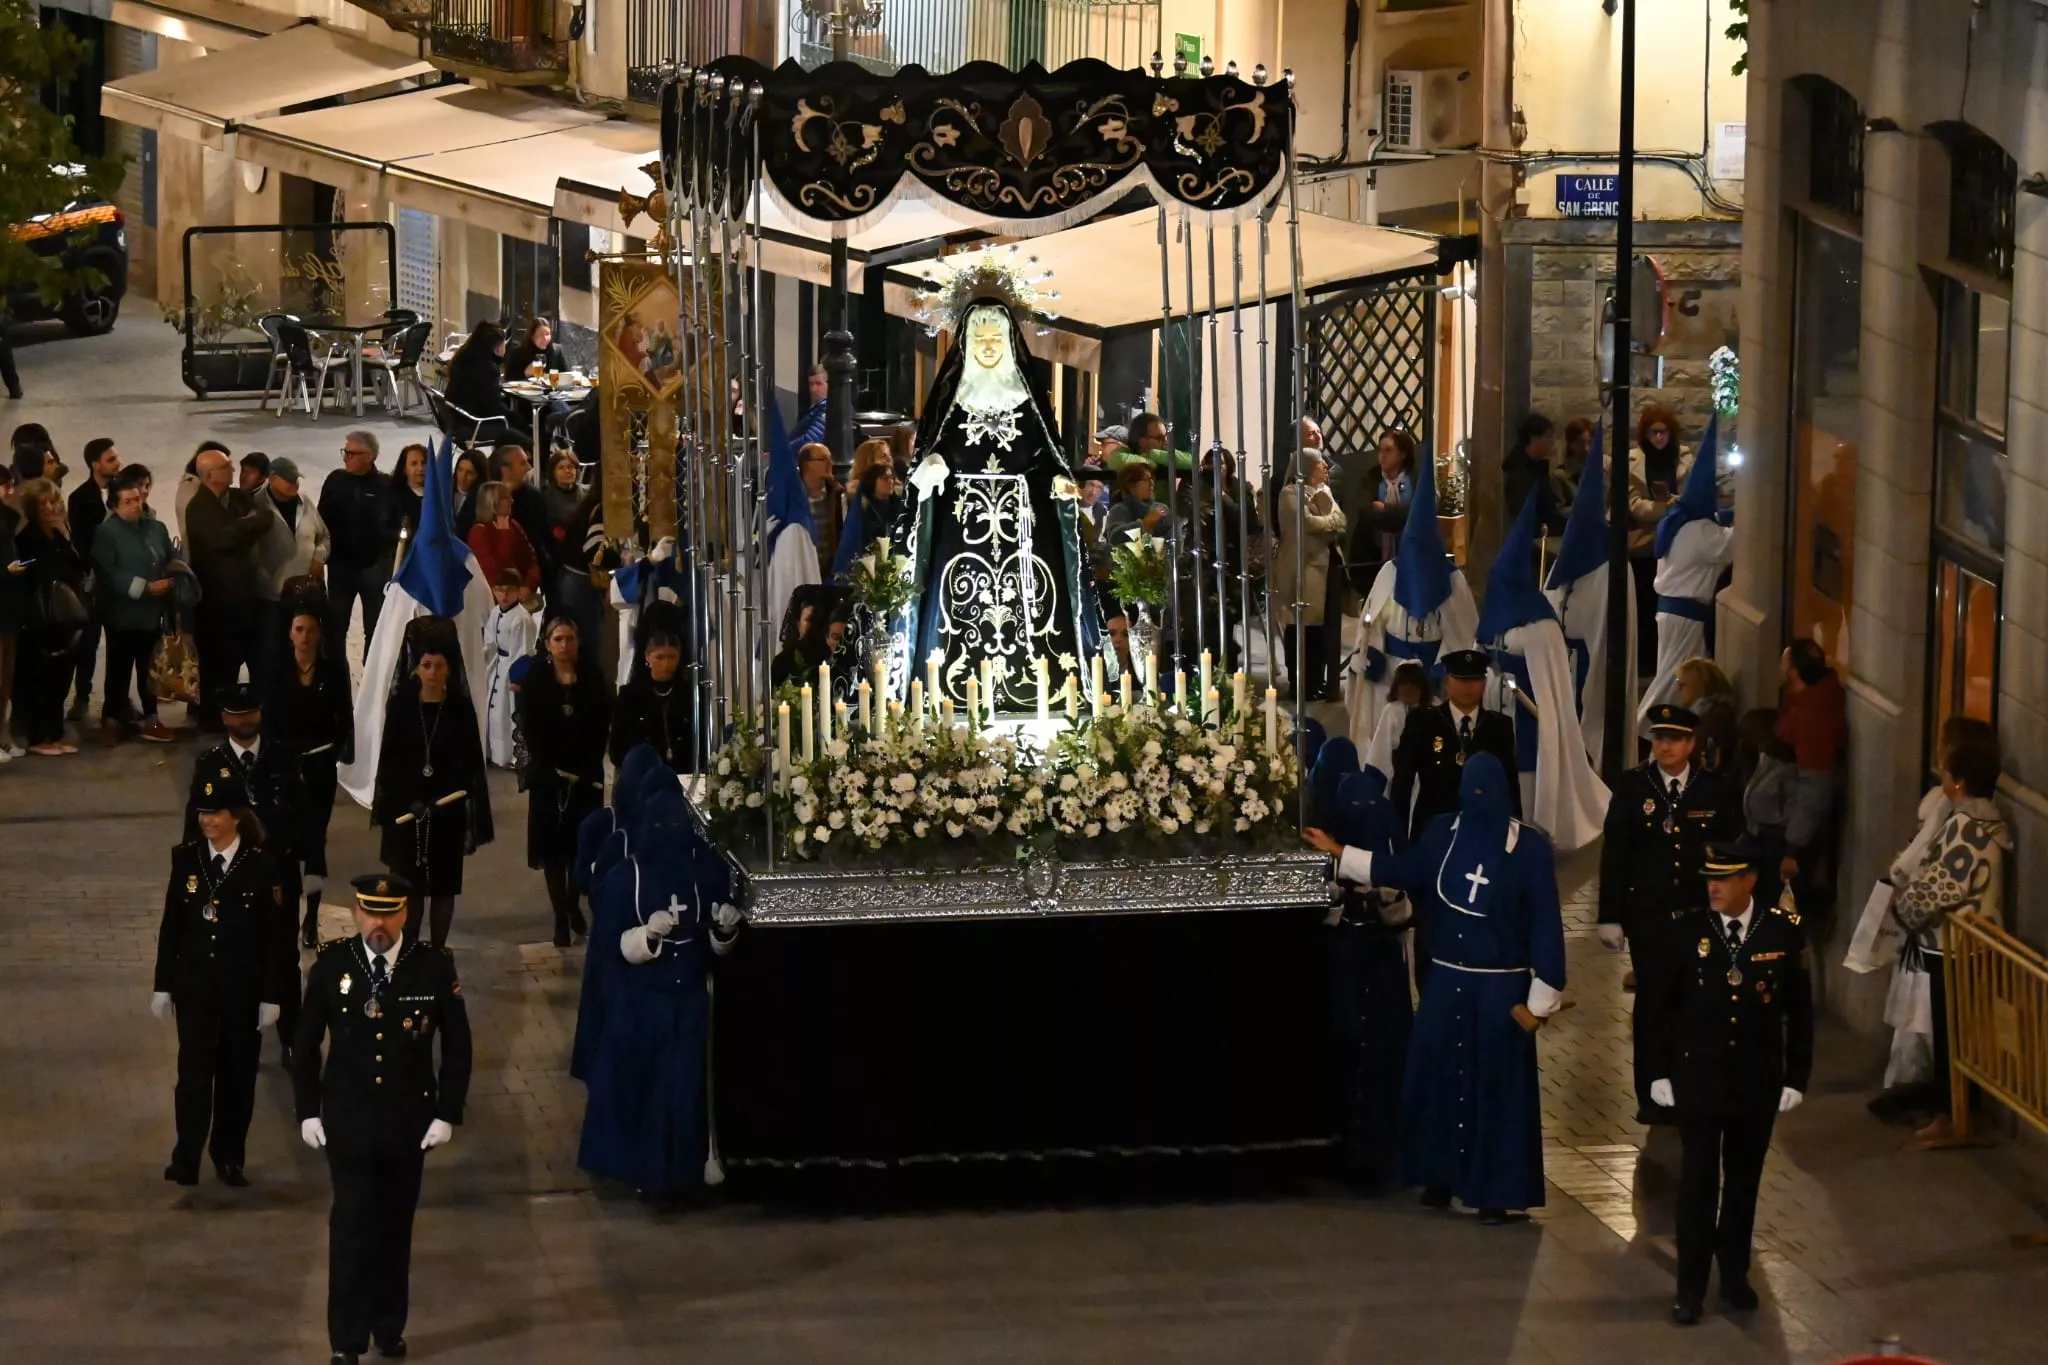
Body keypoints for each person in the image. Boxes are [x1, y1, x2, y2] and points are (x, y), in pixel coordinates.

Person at [1308, 752, 1566, 1222]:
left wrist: (1542, 996)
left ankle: (1495, 1190)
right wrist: (1341, 853)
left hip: (1498, 990)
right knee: (1436, 1083)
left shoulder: (1526, 849)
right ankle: (1438, 1176)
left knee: (1494, 1094)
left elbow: (1547, 921)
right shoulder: (1443, 833)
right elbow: (1402, 869)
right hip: (1447, 982)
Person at [294, 874, 472, 1365]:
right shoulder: (332, 966)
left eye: (388, 913)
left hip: (406, 1125)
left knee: (394, 1229)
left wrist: (447, 1113)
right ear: (356, 912)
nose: (378, 923)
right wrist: (307, 1110)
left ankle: (387, 1328)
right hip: (348, 1124)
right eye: (370, 913)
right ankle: (345, 1341)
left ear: (405, 914)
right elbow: (306, 1045)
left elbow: (458, 1047)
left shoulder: (432, 969)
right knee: (350, 1228)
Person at [1644, 840, 1812, 1325]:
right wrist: (1657, 1071)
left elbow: (1799, 1013)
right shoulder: (1686, 933)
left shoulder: (1782, 933)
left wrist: (1796, 1075)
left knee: (1742, 1185)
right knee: (1697, 1185)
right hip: (1699, 1078)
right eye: (1709, 878)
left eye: (1724, 878)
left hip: (1755, 1081)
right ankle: (1689, 1288)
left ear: (1750, 881)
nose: (1712, 887)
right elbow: (1658, 1008)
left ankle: (1734, 1278)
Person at [577, 783, 737, 1197]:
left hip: (689, 1006)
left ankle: (685, 1173)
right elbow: (612, 946)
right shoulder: (626, 876)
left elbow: (716, 945)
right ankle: (646, 1174)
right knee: (646, 1096)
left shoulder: (706, 870)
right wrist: (646, 937)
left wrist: (724, 929)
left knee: (685, 1094)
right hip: (642, 1004)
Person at [1595, 704, 1741, 1122]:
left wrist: (1734, 909)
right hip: (1650, 917)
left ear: (1691, 744)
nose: (1665, 747)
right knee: (1654, 1004)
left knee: (1697, 1004)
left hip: (1699, 915)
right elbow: (1616, 853)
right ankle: (1653, 1096)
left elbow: (1731, 853)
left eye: (1674, 739)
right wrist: (1611, 914)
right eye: (1659, 738)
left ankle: (1692, 1087)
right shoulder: (1633, 786)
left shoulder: (1713, 789)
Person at [152, 761, 293, 1188]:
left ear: (236, 816)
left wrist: (273, 995)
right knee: (193, 1077)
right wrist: (162, 986)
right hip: (195, 990)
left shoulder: (261, 867)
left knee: (236, 1078)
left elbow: (275, 940)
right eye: (201, 811)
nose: (207, 820)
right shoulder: (187, 862)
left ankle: (229, 1156)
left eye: (215, 812)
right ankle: (186, 1157)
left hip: (241, 992)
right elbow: (170, 928)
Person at [1884, 732, 2007, 1141]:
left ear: (1958, 782)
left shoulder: (1967, 827)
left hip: (1953, 946)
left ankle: (1951, 1115)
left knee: (1950, 1035)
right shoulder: (1985, 821)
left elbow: (1940, 886)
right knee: (1959, 1033)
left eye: (1947, 775)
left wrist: (1903, 908)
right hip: (1971, 944)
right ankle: (1955, 1111)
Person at [1476, 493, 1609, 853]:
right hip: (1495, 710)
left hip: (1529, 715)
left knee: (1528, 775)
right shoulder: (1494, 615)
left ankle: (1533, 834)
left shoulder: (1542, 627)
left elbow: (1551, 683)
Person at [1318, 768, 1415, 1191]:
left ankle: (1359, 1151)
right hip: (1383, 963)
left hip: (1351, 960)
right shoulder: (1389, 824)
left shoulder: (1332, 823)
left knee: (1356, 1048)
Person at [1343, 453, 1478, 755]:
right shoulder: (1390, 572)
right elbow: (1371, 622)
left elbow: (1464, 634)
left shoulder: (1452, 582)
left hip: (1434, 678)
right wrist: (1372, 652)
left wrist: (1445, 664)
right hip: (1391, 675)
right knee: (1389, 744)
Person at [370, 621, 492, 950]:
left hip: (445, 811)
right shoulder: (401, 706)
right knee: (409, 886)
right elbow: (391, 762)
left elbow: (467, 762)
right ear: (416, 668)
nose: (433, 673)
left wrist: (442, 800)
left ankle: (438, 950)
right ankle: (408, 951)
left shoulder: (459, 709)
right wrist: (409, 799)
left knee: (442, 886)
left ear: (450, 669)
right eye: (426, 666)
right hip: (407, 811)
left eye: (439, 666)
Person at [1543, 425, 1633, 772]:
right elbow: (1553, 599)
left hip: (1587, 663)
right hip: (1563, 659)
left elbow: (1604, 632)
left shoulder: (1610, 568)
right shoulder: (1572, 558)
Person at [519, 616, 610, 946]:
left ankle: (572, 902)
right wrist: (547, 764)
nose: (564, 645)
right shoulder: (537, 680)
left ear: (578, 641)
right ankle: (560, 915)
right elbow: (529, 725)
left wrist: (586, 765)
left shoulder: (593, 678)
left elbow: (601, 724)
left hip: (584, 776)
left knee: (580, 849)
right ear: (547, 643)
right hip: (548, 777)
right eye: (558, 639)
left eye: (569, 638)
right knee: (552, 851)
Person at [1637, 416, 1733, 725]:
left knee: (1675, 678)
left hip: (1671, 612)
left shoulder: (1678, 520)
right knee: (1674, 681)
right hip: (1686, 617)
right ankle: (1645, 730)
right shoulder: (1701, 531)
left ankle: (1666, 731)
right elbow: (1735, 544)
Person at [268, 608, 354, 948]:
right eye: (299, 629)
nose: (304, 636)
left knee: (315, 842)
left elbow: (344, 718)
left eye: (310, 630)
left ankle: (311, 918)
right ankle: (286, 916)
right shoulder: (277, 672)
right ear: (290, 634)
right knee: (286, 843)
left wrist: (331, 753)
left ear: (319, 635)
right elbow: (269, 719)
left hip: (318, 769)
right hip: (287, 769)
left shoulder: (332, 672)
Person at [1389, 649, 1519, 839]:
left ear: (1484, 683)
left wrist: (1514, 837)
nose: (1467, 687)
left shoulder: (1499, 726)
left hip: (1482, 833)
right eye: (1460, 679)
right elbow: (1402, 784)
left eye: (1474, 680)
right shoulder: (1423, 722)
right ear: (1447, 682)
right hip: (1432, 831)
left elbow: (1510, 787)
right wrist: (1399, 839)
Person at [184, 447, 270, 729]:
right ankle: (213, 718)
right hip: (216, 602)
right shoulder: (198, 507)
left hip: (243, 598)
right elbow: (223, 539)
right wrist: (245, 526)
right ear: (211, 475)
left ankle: (237, 712)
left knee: (240, 658)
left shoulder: (235, 497)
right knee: (217, 665)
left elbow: (264, 519)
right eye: (227, 467)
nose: (234, 472)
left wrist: (242, 527)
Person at [90, 474, 178, 744]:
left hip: (152, 614)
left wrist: (174, 575)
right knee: (118, 670)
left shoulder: (156, 528)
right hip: (122, 615)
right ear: (114, 507)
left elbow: (170, 558)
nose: (135, 505)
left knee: (149, 670)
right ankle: (112, 720)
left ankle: (152, 719)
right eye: (127, 501)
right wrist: (145, 587)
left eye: (137, 499)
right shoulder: (106, 533)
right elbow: (107, 572)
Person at [12, 478, 87, 754]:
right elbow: (32, 569)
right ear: (33, 507)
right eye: (44, 503)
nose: (51, 507)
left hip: (62, 618)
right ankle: (36, 737)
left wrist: (66, 539)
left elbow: (78, 568)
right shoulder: (27, 538)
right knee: (38, 679)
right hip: (38, 618)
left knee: (60, 676)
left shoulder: (59, 533)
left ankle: (54, 732)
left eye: (54, 501)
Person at [1775, 638, 1846, 924]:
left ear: (1793, 670)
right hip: (1791, 824)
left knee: (1788, 915)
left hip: (1796, 835)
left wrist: (1793, 849)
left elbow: (1814, 787)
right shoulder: (1805, 701)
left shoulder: (1811, 715)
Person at [1273, 448, 1347, 701]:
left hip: (1324, 569)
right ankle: (1300, 685)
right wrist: (1329, 524)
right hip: (1301, 569)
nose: (1325, 467)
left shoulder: (1323, 492)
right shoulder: (1289, 494)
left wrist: (1327, 524)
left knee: (1320, 631)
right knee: (1301, 629)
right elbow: (1306, 525)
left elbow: (1341, 520)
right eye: (1319, 464)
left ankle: (1316, 680)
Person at [319, 431, 398, 661]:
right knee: (334, 629)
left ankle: (370, 680)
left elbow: (394, 525)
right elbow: (321, 521)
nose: (346, 457)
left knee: (374, 628)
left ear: (370, 456)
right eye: (345, 451)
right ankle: (336, 682)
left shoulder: (385, 485)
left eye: (352, 453)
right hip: (340, 568)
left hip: (373, 567)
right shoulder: (335, 481)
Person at [252, 456, 330, 685]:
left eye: (296, 479)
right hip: (273, 597)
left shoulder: (304, 502)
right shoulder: (256, 505)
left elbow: (323, 535)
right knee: (272, 649)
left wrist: (318, 557)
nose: (295, 484)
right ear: (272, 479)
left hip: (304, 594)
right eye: (289, 480)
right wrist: (268, 581)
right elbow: (250, 553)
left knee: (304, 647)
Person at [1627, 405, 1694, 672]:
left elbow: (1692, 496)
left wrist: (1675, 505)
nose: (1659, 439)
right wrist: (1664, 508)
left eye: (1663, 433)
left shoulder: (1684, 459)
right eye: (1653, 433)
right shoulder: (1634, 460)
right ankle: (1645, 661)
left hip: (1678, 543)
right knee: (1645, 604)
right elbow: (1633, 504)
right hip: (1645, 543)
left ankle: (1666, 661)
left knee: (1671, 606)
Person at [65, 436, 121, 724]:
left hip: (122, 581)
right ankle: (83, 696)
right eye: (111, 459)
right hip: (95, 583)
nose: (117, 463)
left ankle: (117, 701)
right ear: (94, 464)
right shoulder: (80, 498)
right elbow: (82, 545)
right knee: (88, 643)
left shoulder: (123, 492)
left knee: (121, 645)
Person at [609, 600, 693, 770]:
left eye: (671, 657)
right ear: (647, 657)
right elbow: (617, 751)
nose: (666, 664)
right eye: (660, 657)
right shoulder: (630, 696)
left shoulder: (689, 694)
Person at [1345, 429, 1415, 599]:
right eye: (1380, 450)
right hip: (1372, 555)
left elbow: (1414, 515)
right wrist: (1398, 515)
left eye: (1389, 450)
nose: (1382, 456)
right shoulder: (1371, 478)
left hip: (1407, 554)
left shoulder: (1415, 479)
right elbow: (1366, 512)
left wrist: (1385, 508)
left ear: (1403, 454)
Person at [483, 569, 539, 768]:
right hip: (496, 666)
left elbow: (523, 652)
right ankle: (492, 752)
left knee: (508, 715)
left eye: (508, 590)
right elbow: (489, 641)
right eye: (499, 590)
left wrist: (517, 679)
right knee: (492, 714)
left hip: (511, 671)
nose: (503, 596)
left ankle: (511, 756)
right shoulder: (495, 612)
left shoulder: (521, 619)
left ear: (518, 591)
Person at [486, 442, 554, 579]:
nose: (529, 467)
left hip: (528, 574)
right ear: (506, 470)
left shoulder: (534, 497)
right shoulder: (484, 495)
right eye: (522, 463)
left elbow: (542, 538)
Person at [464, 481, 541, 598]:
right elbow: (494, 572)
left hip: (518, 597)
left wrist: (528, 586)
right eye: (506, 498)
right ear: (492, 503)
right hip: (494, 600)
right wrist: (503, 531)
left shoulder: (514, 525)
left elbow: (531, 561)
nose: (512, 501)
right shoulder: (479, 532)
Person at [1501, 413, 1566, 547]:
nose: (1552, 442)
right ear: (1534, 438)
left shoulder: (1537, 470)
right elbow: (1526, 519)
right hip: (1534, 547)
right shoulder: (1520, 473)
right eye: (1548, 437)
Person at [1363, 660, 1430, 780]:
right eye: (1404, 689)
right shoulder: (1392, 710)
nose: (1408, 693)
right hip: (1400, 768)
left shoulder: (1435, 707)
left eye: (1413, 688)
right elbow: (1381, 746)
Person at [1674, 657, 1738, 773]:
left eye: (1682, 685)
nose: (1677, 690)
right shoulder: (1702, 714)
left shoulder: (1715, 719)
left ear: (1699, 686)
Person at [446, 321, 512, 431]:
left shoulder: (462, 357)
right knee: (522, 430)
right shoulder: (488, 368)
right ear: (497, 347)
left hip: (455, 418)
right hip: (474, 423)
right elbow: (492, 407)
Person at [0, 465, 25, 757]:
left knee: (6, 676)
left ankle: (3, 735)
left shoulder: (8, 518)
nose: (9, 492)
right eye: (5, 486)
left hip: (9, 606)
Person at [798, 441, 845, 576]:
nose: (829, 463)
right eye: (823, 459)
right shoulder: (793, 497)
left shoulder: (836, 494)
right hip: (802, 570)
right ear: (806, 463)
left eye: (830, 458)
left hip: (829, 572)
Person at [502, 315, 567, 381]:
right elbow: (508, 378)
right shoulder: (519, 353)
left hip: (552, 390)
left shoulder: (557, 350)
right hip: (526, 390)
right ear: (531, 336)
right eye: (540, 335)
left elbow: (566, 375)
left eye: (547, 334)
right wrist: (525, 373)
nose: (545, 338)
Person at [390, 443, 429, 548]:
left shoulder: (437, 494)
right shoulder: (393, 495)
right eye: (414, 464)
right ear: (404, 469)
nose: (420, 468)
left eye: (424, 463)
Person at [450, 449, 487, 540]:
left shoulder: (484, 499)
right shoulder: (445, 492)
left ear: (479, 476)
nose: (463, 477)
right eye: (460, 470)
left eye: (469, 473)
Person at [790, 362, 828, 449]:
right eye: (811, 384)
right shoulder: (817, 406)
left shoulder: (827, 408)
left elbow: (811, 440)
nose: (813, 389)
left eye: (818, 383)